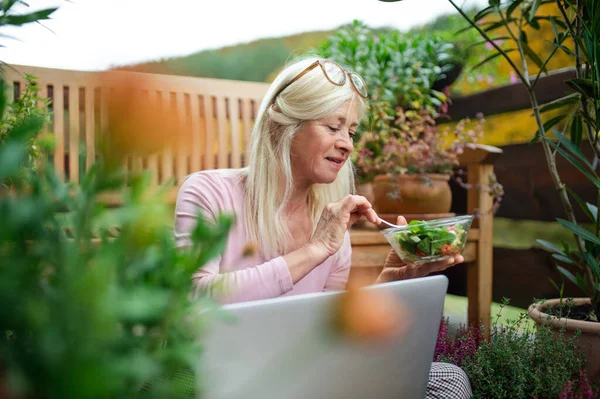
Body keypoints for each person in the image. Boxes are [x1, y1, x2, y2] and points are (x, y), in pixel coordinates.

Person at [174, 56, 472, 398]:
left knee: (449, 379)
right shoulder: (209, 193)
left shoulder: (332, 227)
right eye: (333, 127)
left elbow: (324, 338)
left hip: (298, 376)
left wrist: (387, 285)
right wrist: (313, 250)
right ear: (282, 126)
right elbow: (194, 306)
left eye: (351, 131)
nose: (347, 143)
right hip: (226, 377)